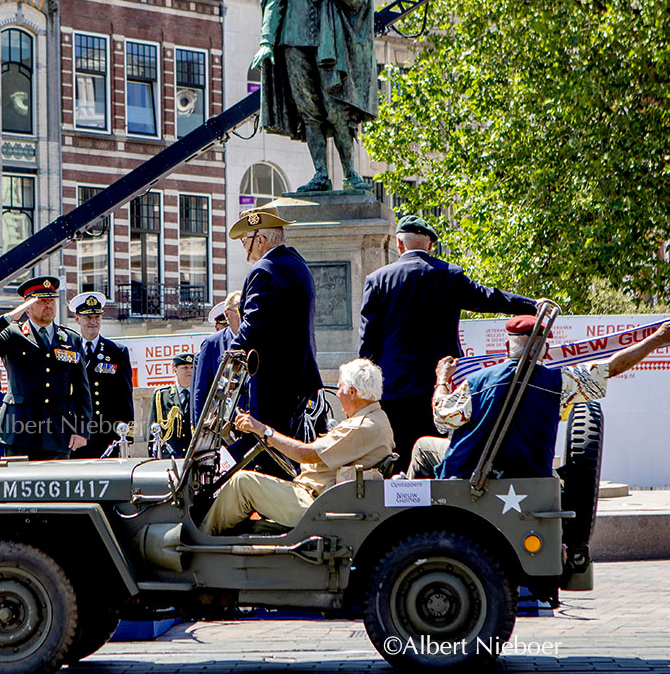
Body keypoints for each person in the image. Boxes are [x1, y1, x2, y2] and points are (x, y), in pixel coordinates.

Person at [359, 215, 538, 464]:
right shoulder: (449, 275)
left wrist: (365, 389)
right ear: (430, 245)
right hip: (440, 387)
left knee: (397, 460)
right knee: (437, 458)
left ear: (399, 245)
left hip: (393, 388)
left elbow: (368, 341)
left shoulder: (377, 280)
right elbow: (488, 298)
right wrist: (532, 306)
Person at [409, 316, 670, 480]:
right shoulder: (559, 382)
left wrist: (442, 379)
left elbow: (442, 419)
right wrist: (656, 339)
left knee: (422, 446)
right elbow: (612, 367)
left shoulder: (477, 383)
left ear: (506, 347)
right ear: (545, 350)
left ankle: (411, 516)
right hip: (533, 475)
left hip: (473, 472)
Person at [251, 0, 376, 192]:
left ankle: (350, 173)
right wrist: (266, 41)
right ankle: (321, 173)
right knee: (308, 110)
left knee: (336, 109)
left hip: (329, 44)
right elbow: (275, 3)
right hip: (293, 43)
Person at [200, 358, 393, 535]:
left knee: (243, 483)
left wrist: (264, 431)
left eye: (341, 387)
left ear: (353, 392)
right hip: (318, 497)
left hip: (315, 504)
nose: (338, 393)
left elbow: (305, 454)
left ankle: (199, 541)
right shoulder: (375, 419)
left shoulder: (362, 426)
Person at [0, 276, 92, 461]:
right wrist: (9, 317)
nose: (48, 305)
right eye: (42, 301)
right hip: (19, 434)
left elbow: (82, 390)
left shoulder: (70, 339)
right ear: (28, 305)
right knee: (19, 488)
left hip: (58, 434)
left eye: (52, 301)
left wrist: (81, 430)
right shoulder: (13, 334)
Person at [228, 208, 323, 441]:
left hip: (275, 386)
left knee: (271, 459)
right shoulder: (296, 263)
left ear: (260, 240)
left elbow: (252, 327)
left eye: (245, 240)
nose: (243, 246)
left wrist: (229, 355)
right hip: (299, 380)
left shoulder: (265, 269)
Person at [67, 291, 134, 459]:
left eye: (97, 317)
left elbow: (125, 395)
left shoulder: (117, 352)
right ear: (77, 319)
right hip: (75, 434)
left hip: (107, 435)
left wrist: (127, 435)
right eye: (88, 318)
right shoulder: (67, 350)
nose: (93, 322)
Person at [192, 291, 242, 427]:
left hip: (253, 429)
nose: (243, 315)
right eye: (239, 309)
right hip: (221, 428)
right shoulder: (212, 344)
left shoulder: (258, 342)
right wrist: (200, 431)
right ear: (227, 315)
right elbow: (200, 391)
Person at [152, 354, 196, 457]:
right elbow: (153, 430)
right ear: (175, 369)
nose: (189, 371)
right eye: (185, 368)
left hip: (194, 457)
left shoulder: (201, 395)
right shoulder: (162, 395)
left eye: (192, 367)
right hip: (170, 456)